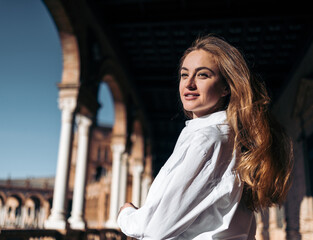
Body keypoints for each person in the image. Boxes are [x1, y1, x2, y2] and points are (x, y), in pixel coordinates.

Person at [117, 34, 293, 239]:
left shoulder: (208, 140)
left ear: (226, 87)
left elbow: (154, 229)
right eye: (184, 75)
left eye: (203, 75)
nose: (189, 84)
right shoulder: (228, 138)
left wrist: (126, 214)